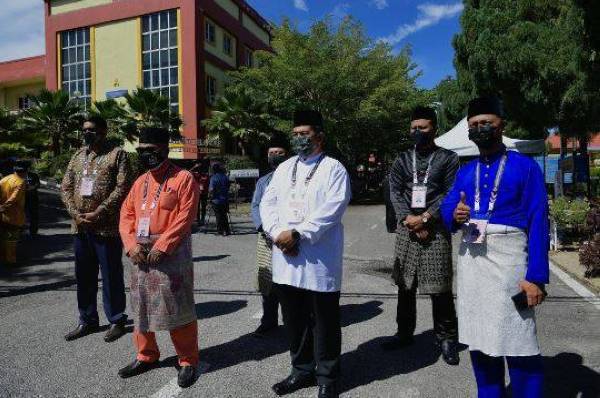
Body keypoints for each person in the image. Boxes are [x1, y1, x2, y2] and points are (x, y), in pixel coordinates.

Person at [440, 96, 549, 398]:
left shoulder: (525, 167)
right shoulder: (465, 170)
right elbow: (448, 207)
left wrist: (536, 276)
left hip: (511, 262)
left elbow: (539, 221)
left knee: (519, 342)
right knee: (480, 341)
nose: (480, 129)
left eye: (486, 123)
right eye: (474, 125)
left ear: (502, 126)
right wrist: (454, 213)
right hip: (473, 263)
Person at [260, 110, 351, 398]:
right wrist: (277, 233)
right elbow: (268, 203)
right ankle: (301, 370)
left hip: (318, 258)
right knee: (295, 319)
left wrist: (298, 233)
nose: (299, 138)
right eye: (295, 134)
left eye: (305, 134)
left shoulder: (334, 168)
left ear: (319, 136)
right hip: (286, 257)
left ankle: (327, 376)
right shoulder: (285, 168)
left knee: (324, 321)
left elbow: (333, 209)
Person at [118, 127, 200, 388]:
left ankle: (187, 359)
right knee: (141, 307)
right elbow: (126, 216)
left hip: (171, 254)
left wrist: (163, 246)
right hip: (141, 254)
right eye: (141, 151)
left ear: (165, 149)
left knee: (177, 306)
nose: (145, 155)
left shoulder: (183, 178)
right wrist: (131, 246)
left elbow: (185, 217)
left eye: (150, 151)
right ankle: (147, 355)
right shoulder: (140, 181)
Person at [385, 106, 460, 365]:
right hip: (407, 228)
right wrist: (408, 218)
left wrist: (426, 217)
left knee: (440, 288)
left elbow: (450, 192)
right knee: (405, 286)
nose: (417, 132)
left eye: (423, 128)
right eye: (413, 128)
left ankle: (447, 338)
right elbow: (395, 190)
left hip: (436, 230)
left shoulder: (448, 158)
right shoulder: (403, 159)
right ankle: (404, 333)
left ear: (434, 129)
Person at [61, 115, 132, 342]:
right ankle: (88, 319)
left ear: (103, 131)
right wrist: (75, 214)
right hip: (81, 228)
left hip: (107, 229)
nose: (86, 133)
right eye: (84, 130)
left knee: (111, 275)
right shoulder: (77, 155)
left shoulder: (117, 154)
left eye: (91, 130)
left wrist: (98, 212)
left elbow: (123, 187)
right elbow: (66, 186)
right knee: (84, 276)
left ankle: (117, 320)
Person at [250, 136, 289, 337]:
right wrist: (263, 226)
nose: (275, 156)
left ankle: (296, 319)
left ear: (288, 155)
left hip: (289, 237)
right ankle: (269, 320)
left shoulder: (296, 177)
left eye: (279, 153)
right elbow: (256, 205)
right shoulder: (263, 181)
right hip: (266, 238)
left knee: (291, 280)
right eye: (271, 153)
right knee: (267, 281)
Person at [0, 160, 28, 266]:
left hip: (3, 215)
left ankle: (3, 257)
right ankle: (10, 260)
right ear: (25, 171)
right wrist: (3, 207)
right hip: (14, 214)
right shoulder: (20, 182)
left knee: (3, 236)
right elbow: (14, 198)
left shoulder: (4, 179)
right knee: (12, 238)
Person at [209, 162, 230, 236]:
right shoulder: (225, 177)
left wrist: (210, 197)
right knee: (224, 215)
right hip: (225, 199)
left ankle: (220, 231)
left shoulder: (213, 178)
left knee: (218, 216)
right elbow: (228, 186)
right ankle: (227, 230)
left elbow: (211, 189)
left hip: (216, 200)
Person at [191, 159, 210, 225]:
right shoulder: (196, 175)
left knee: (203, 207)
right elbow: (188, 172)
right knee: (198, 207)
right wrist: (194, 167)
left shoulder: (206, 175)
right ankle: (198, 220)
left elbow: (208, 183)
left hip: (204, 193)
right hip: (198, 193)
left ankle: (202, 219)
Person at [25, 166, 41, 237]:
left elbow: (38, 184)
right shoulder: (18, 175)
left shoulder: (34, 175)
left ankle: (33, 232)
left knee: (34, 216)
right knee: (20, 215)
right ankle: (19, 232)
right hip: (22, 198)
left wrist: (32, 188)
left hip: (33, 198)